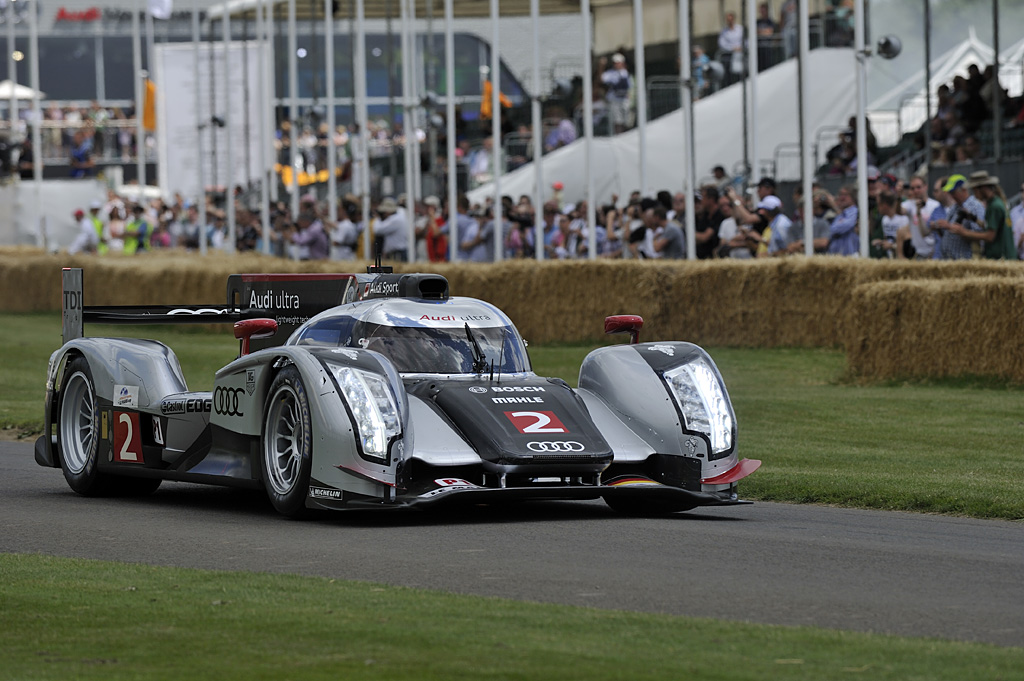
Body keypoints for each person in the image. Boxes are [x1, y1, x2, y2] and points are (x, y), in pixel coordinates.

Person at [954, 171, 1016, 260]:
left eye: (974, 190)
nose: (974, 195)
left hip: (1001, 258)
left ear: (982, 188)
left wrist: (964, 232)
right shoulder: (996, 202)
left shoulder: (994, 206)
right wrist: (973, 218)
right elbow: (990, 226)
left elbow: (990, 236)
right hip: (1004, 257)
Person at [930, 174, 984, 260]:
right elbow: (948, 231)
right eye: (950, 193)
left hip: (964, 259)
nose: (951, 196)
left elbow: (980, 234)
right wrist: (940, 227)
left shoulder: (975, 206)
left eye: (953, 192)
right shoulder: (955, 206)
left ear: (963, 190)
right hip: (950, 259)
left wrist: (960, 230)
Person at [895, 175, 940, 260]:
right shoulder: (910, 204)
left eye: (918, 187)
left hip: (934, 252)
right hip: (918, 253)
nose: (916, 190)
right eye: (912, 188)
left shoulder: (935, 205)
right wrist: (898, 196)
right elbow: (899, 211)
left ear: (926, 187)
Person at [601, 53, 633, 134]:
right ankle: (619, 137)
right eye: (615, 63)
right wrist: (601, 66)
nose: (617, 64)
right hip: (615, 99)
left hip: (624, 99)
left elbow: (630, 86)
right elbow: (603, 79)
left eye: (618, 62)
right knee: (618, 121)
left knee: (627, 121)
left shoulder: (626, 73)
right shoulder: (610, 73)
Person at [870, 191, 908, 259]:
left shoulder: (903, 219)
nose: (877, 208)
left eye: (879, 204)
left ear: (885, 205)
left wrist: (892, 246)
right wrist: (881, 242)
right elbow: (888, 239)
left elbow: (907, 245)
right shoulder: (885, 219)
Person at [826, 185, 859, 255]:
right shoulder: (841, 215)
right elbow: (831, 230)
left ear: (853, 197)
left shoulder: (855, 212)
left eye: (845, 195)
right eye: (840, 194)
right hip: (837, 256)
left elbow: (844, 226)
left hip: (851, 256)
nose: (842, 197)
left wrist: (839, 225)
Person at [374, 196, 409, 261]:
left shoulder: (395, 220)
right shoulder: (400, 215)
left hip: (397, 252)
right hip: (398, 251)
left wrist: (378, 218)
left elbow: (377, 229)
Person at [717, 12, 744, 86]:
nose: (729, 21)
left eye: (731, 19)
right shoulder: (724, 31)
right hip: (728, 55)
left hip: (740, 54)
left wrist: (740, 48)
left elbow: (745, 40)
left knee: (740, 73)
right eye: (728, 20)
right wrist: (732, 48)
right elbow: (721, 43)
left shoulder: (740, 29)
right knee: (728, 75)